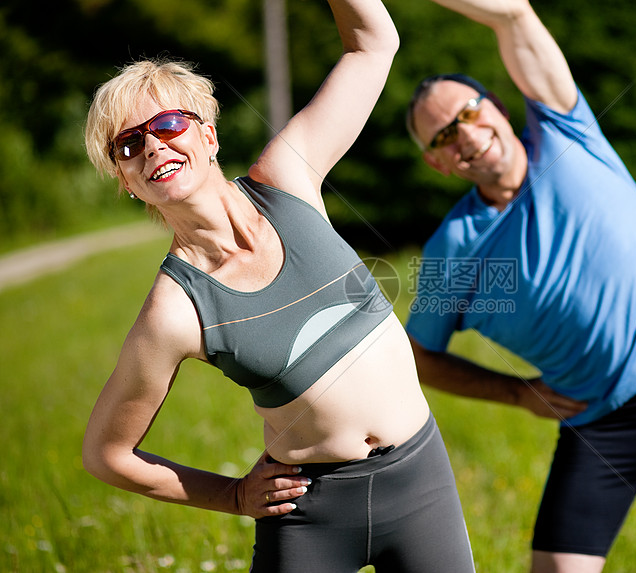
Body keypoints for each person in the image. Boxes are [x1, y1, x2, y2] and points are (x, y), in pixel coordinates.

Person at [81, 1, 475, 571]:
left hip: (422, 484)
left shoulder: (288, 177)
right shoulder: (175, 310)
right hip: (311, 517)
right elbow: (106, 454)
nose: (153, 147)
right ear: (127, 181)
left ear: (209, 135)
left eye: (167, 124)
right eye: (129, 145)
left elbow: (373, 44)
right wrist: (235, 496)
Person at [404, 1, 636, 572]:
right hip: (600, 425)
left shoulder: (565, 133)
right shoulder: (455, 249)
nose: (465, 137)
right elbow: (419, 357)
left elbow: (516, 17)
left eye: (469, 114)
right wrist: (516, 394)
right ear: (438, 165)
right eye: (443, 138)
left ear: (498, 107)